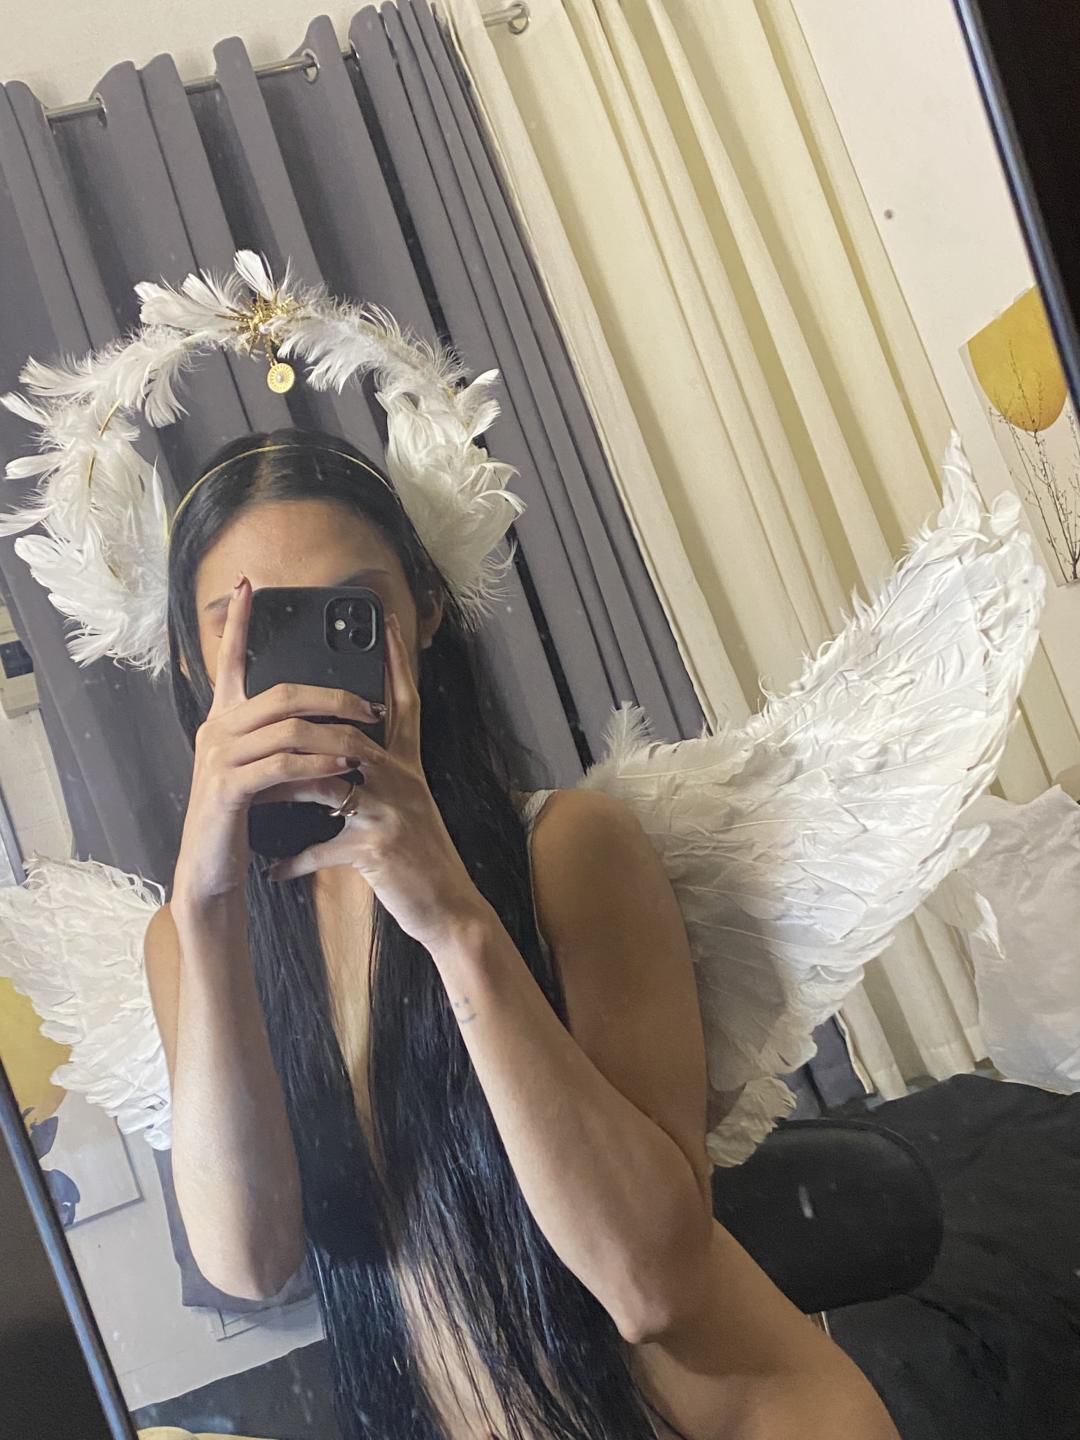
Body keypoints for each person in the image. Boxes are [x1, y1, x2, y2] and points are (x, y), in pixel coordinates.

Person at [143, 426, 897, 1440]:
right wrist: (205, 910)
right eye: (253, 624)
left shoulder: (569, 851)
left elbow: (651, 1286)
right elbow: (250, 1261)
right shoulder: (195, 941)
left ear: (425, 612)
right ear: (193, 660)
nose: (303, 673)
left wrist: (457, 924)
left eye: (350, 613)